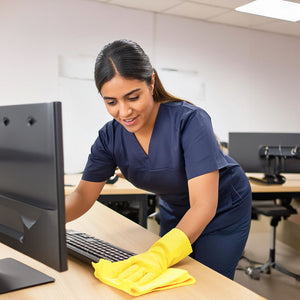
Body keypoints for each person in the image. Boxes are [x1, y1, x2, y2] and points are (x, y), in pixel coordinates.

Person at [65, 39, 252, 282]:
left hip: (223, 209)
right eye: (111, 102)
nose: (123, 112)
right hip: (175, 209)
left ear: (151, 82)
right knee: (167, 283)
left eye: (133, 97)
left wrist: (161, 254)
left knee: (206, 285)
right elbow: (82, 196)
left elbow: (204, 205)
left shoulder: (190, 121)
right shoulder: (110, 137)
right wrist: (46, 221)